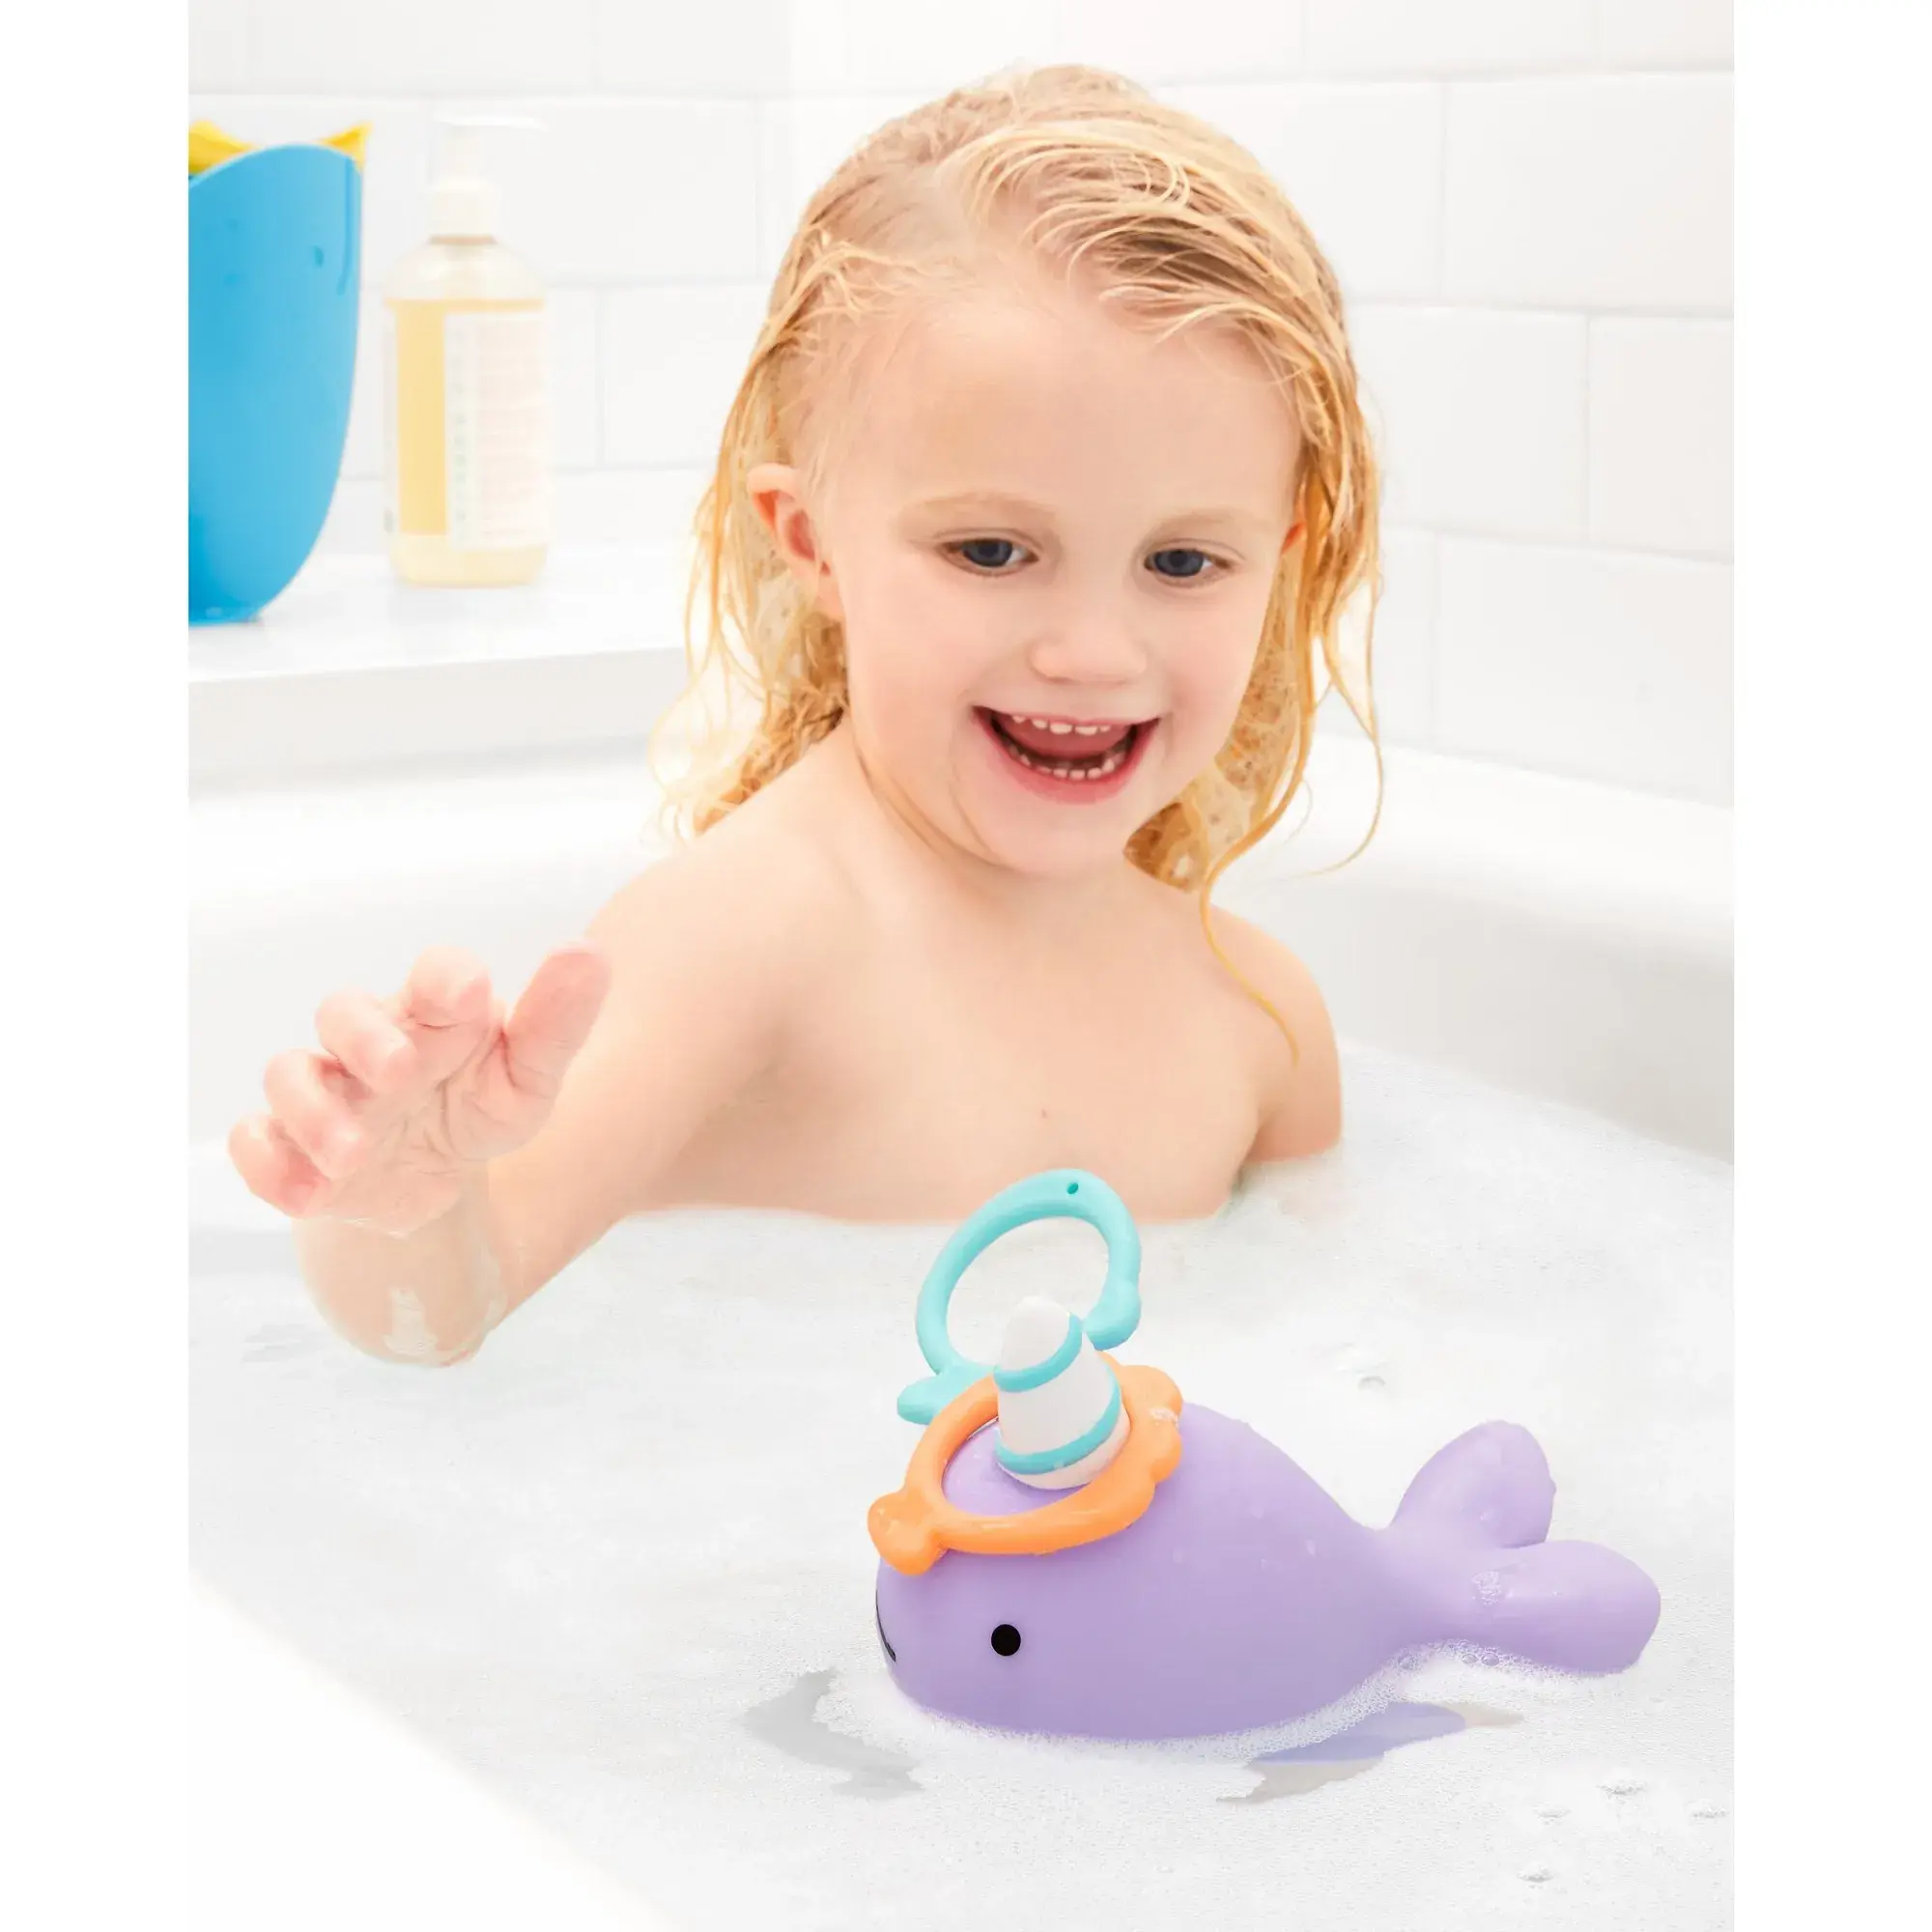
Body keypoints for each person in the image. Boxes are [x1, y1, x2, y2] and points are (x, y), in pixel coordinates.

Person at [227, 64, 1383, 1367]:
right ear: (812, 541)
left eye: (1183, 562)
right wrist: (404, 1212)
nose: (1091, 652)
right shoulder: (755, 933)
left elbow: (1333, 1367)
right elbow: (454, 1302)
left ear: (1281, 559)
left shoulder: (1263, 1026)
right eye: (991, 551)